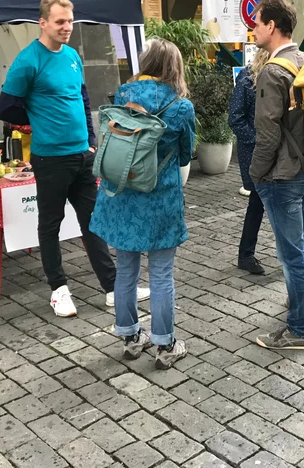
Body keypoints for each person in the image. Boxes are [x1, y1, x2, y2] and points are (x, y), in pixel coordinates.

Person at [0, 0, 147, 318]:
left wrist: (91, 141)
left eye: (70, 20)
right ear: (43, 22)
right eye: (60, 21)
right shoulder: (28, 60)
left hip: (82, 155)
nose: (67, 27)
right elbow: (4, 106)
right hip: (50, 158)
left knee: (93, 223)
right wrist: (32, 121)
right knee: (50, 225)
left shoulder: (72, 56)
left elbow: (82, 99)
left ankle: (112, 288)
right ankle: (58, 290)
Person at [90, 38, 196, 369]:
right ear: (174, 67)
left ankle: (131, 337)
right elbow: (184, 153)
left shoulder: (123, 96)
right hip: (159, 198)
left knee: (125, 268)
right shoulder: (180, 106)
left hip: (122, 191)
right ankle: (165, 346)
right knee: (162, 272)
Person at [249, 0, 304, 350]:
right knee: (297, 246)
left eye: (257, 22)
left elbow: (268, 134)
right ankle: (297, 302)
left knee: (292, 253)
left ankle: (300, 330)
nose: (254, 29)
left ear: (272, 26)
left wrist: (255, 174)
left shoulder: (273, 71)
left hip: (281, 176)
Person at [228, 54, 269, 276]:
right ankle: (245, 255)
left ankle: (288, 251)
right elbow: (234, 117)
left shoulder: (284, 74)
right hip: (254, 151)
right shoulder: (247, 78)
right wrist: (257, 139)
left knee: (276, 201)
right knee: (258, 200)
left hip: (278, 151)